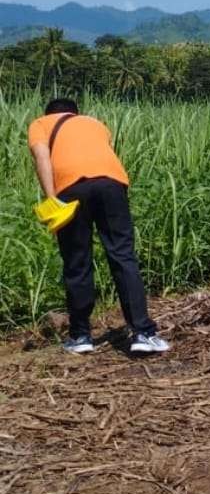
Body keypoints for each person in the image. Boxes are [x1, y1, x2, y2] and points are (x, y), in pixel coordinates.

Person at [27, 98, 170, 354]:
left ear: (48, 113)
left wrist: (52, 199)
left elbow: (42, 158)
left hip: (70, 188)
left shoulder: (40, 123)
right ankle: (143, 333)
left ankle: (81, 337)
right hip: (111, 184)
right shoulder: (95, 123)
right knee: (123, 256)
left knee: (77, 261)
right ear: (75, 112)